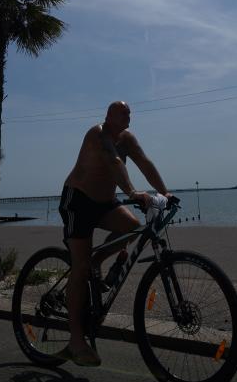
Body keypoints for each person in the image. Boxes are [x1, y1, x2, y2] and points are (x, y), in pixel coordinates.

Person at [58, 100, 171, 367]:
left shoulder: (128, 138)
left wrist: (165, 192)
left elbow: (144, 162)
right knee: (81, 266)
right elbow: (114, 160)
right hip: (78, 201)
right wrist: (132, 193)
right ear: (109, 115)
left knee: (133, 226)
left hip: (105, 203)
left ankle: (98, 262)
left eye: (129, 112)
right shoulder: (97, 133)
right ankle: (75, 341)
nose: (128, 115)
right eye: (123, 112)